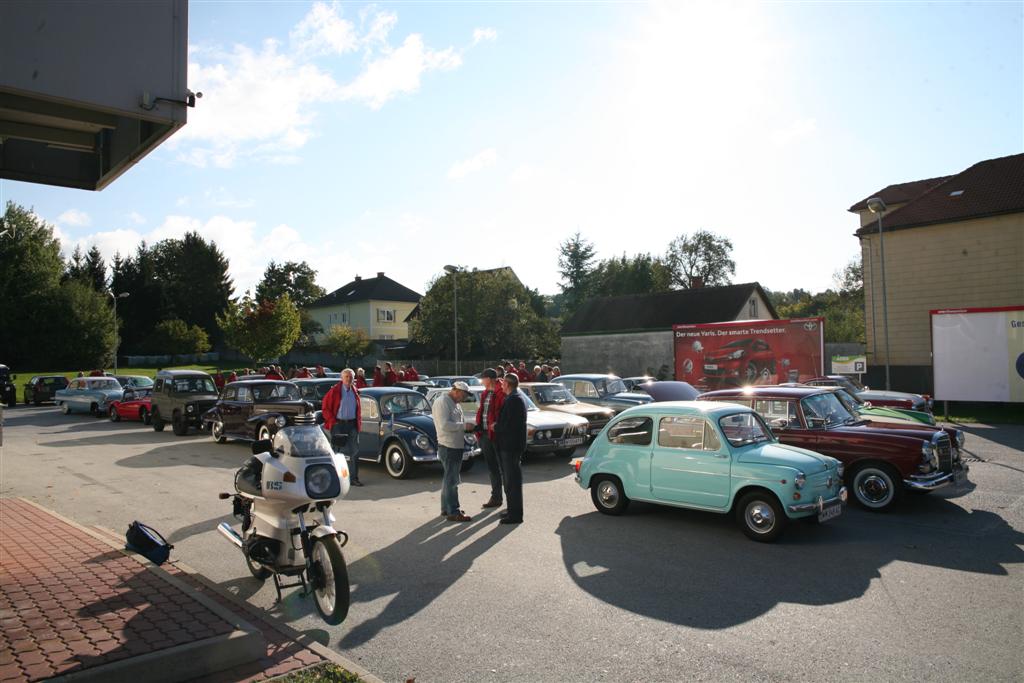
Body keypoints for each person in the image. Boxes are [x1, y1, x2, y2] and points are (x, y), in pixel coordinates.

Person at [432, 381, 472, 522]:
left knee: (449, 479)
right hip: (448, 446)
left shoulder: (454, 403)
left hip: (454, 445)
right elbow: (444, 425)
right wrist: (463, 426)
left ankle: (446, 508)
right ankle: (453, 511)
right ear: (456, 391)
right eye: (464, 394)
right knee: (452, 481)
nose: (465, 398)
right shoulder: (443, 402)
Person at [494, 373, 527, 524]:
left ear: (507, 384)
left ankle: (515, 515)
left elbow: (510, 425)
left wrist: (496, 427)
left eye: (503, 383)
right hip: (509, 445)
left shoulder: (515, 399)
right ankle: (511, 509)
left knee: (512, 481)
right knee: (509, 480)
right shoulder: (513, 397)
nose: (501, 385)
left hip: (511, 446)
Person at [322, 368, 363, 487]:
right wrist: (333, 422)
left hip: (352, 424)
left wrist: (358, 423)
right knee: (336, 451)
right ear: (342, 378)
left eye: (351, 377)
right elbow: (325, 408)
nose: (349, 379)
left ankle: (354, 478)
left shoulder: (355, 390)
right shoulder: (335, 391)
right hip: (338, 424)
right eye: (346, 377)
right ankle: (334, 478)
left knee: (355, 452)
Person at [475, 368, 506, 509]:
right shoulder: (485, 393)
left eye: (483, 379)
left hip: (498, 435)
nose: (481, 381)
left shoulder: (502, 391)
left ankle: (510, 501)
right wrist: (479, 431)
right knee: (492, 468)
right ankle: (496, 497)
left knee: (505, 468)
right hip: (486, 434)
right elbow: (482, 412)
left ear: (490, 379)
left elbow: (504, 414)